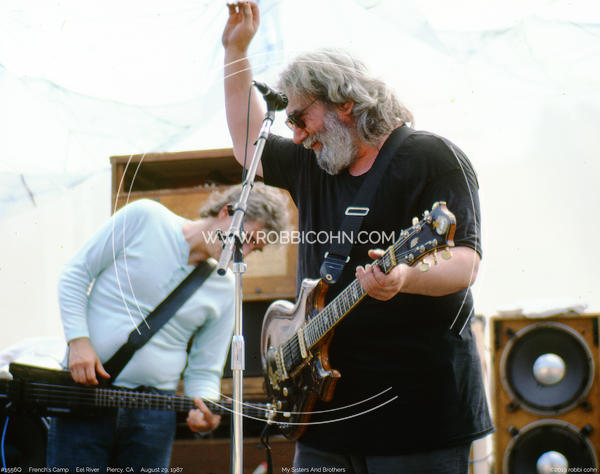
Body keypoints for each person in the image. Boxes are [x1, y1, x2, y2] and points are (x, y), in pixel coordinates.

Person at [222, 3, 493, 473]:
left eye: (301, 118)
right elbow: (248, 144)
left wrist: (404, 278)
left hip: (416, 417)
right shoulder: (314, 162)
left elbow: (465, 262)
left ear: (344, 104)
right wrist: (235, 50)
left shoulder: (432, 157)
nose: (296, 135)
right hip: (323, 417)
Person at [46, 182, 289, 471]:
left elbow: (204, 370)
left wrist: (206, 409)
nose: (244, 252)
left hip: (154, 414)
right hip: (85, 395)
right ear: (227, 212)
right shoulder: (144, 217)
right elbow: (75, 274)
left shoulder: (226, 288)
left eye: (254, 248)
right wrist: (78, 341)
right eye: (246, 238)